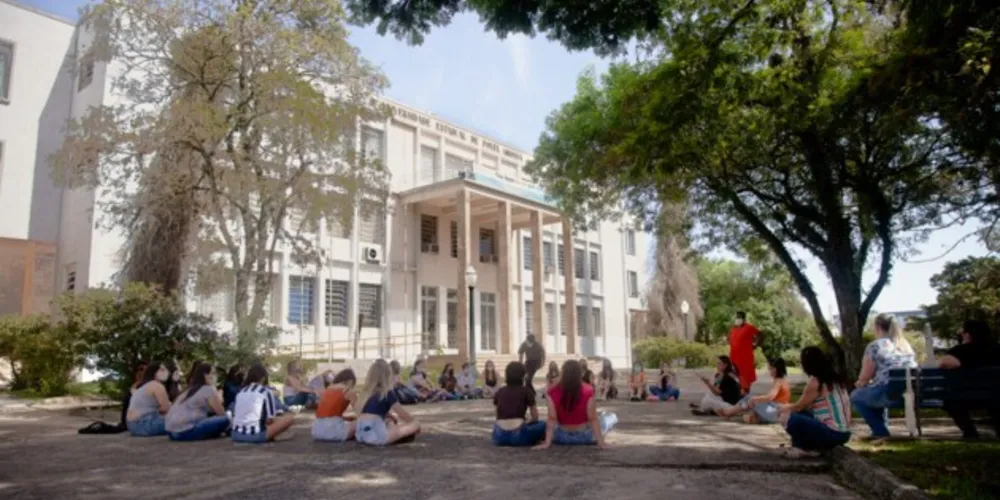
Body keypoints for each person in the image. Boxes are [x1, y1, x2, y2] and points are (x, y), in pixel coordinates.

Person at [851, 314, 918, 440]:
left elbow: (865, 377)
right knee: (876, 390)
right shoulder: (905, 346)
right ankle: (881, 429)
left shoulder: (875, 346)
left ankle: (880, 431)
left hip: (890, 395)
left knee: (857, 396)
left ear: (877, 327)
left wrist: (860, 383)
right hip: (912, 394)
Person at [778, 347, 852, 458]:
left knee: (790, 418)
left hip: (833, 433)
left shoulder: (816, 382)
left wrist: (782, 408)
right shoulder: (835, 380)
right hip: (844, 434)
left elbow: (799, 406)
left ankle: (803, 448)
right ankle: (808, 446)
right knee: (801, 415)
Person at [938, 320, 1000, 439]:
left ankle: (970, 432)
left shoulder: (960, 350)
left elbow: (947, 363)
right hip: (996, 395)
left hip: (967, 397)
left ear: (968, 334)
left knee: (950, 401)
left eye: (963, 333)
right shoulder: (997, 349)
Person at [537, 360, 617, 448]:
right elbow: (592, 418)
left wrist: (547, 443)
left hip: (561, 437)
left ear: (562, 373)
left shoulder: (552, 392)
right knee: (610, 417)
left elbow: (552, 418)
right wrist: (601, 443)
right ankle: (599, 436)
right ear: (580, 374)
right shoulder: (588, 390)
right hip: (586, 436)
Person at [356, 359, 422, 446]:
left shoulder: (366, 393)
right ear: (388, 375)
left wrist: (390, 418)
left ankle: (392, 431)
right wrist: (414, 423)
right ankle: (397, 434)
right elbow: (403, 415)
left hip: (360, 433)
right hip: (377, 436)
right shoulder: (387, 392)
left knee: (389, 420)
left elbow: (373, 410)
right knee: (415, 424)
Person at [231, 362, 296, 443]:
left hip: (236, 435)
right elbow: (270, 420)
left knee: (274, 419)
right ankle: (274, 435)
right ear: (263, 378)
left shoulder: (241, 392)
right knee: (289, 418)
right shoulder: (266, 392)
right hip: (255, 435)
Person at [165, 363, 229, 441]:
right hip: (185, 432)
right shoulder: (207, 389)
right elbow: (221, 413)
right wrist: (220, 399)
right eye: (213, 373)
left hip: (171, 433)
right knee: (225, 420)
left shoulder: (188, 390)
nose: (215, 376)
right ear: (205, 375)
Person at [718, 358, 791, 423]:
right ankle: (737, 413)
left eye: (770, 368)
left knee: (750, 398)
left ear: (776, 369)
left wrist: (755, 399)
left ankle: (729, 412)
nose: (769, 371)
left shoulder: (778, 381)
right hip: (776, 411)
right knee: (750, 408)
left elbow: (770, 397)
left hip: (776, 411)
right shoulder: (782, 380)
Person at [492, 362, 546, 446]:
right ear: (523, 376)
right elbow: (535, 417)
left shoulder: (500, 391)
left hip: (499, 436)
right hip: (518, 435)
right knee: (543, 425)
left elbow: (497, 415)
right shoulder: (526, 391)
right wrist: (527, 422)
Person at [125, 361, 172, 437]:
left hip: (132, 426)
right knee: (181, 421)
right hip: (145, 424)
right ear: (154, 372)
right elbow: (166, 409)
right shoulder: (157, 386)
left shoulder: (143, 387)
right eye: (162, 370)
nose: (166, 372)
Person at [312, 368, 359, 442]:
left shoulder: (327, 389)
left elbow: (328, 414)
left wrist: (346, 418)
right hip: (334, 431)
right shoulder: (348, 391)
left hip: (316, 430)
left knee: (348, 421)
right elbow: (360, 413)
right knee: (362, 422)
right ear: (351, 381)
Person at [729, 311, 762, 394]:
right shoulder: (733, 328)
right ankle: (737, 395)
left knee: (746, 377)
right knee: (734, 377)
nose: (738, 319)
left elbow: (760, 334)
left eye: (739, 317)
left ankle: (746, 396)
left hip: (745, 358)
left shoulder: (749, 328)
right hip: (733, 357)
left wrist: (755, 345)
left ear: (743, 318)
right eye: (737, 317)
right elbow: (731, 339)